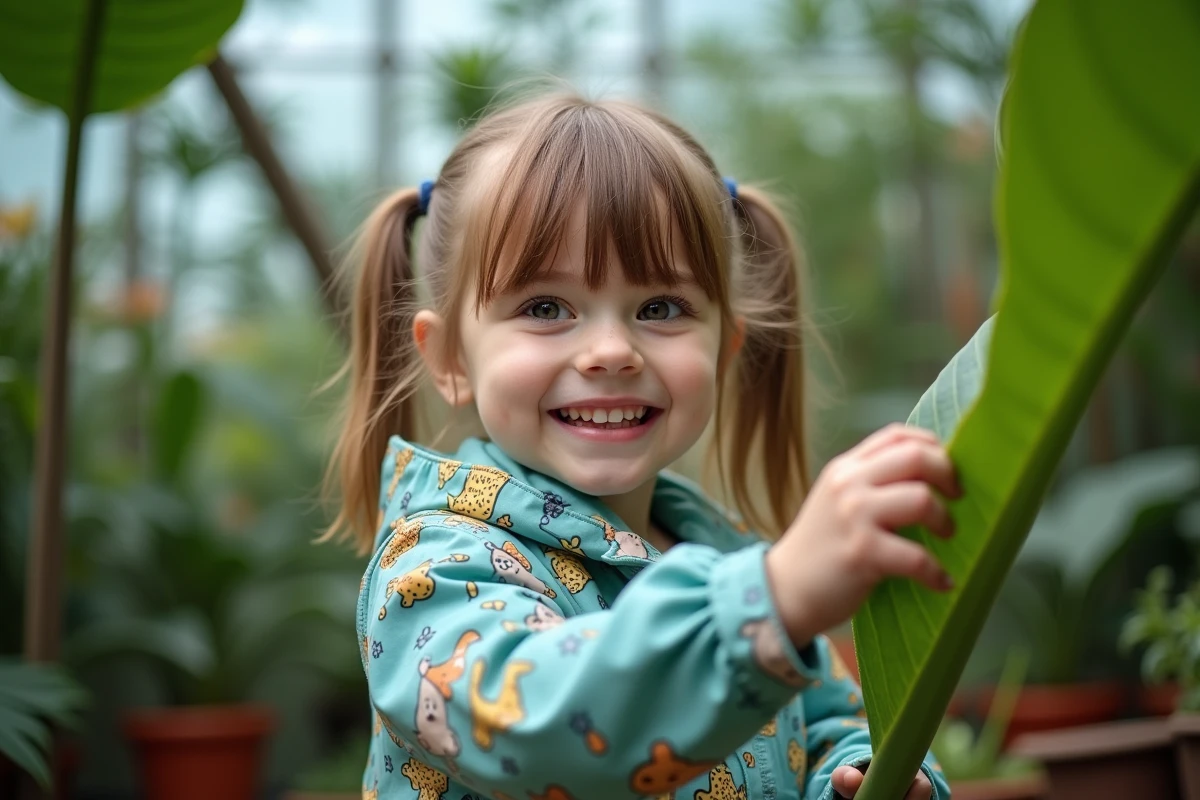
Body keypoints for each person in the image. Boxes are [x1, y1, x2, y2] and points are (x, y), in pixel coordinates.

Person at [322, 91, 958, 800]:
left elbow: (831, 724)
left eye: (660, 309)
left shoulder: (720, 553)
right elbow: (544, 727)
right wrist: (773, 598)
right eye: (545, 308)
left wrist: (864, 778)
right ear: (450, 358)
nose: (610, 351)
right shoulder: (435, 568)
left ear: (724, 350)